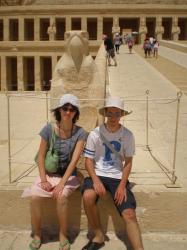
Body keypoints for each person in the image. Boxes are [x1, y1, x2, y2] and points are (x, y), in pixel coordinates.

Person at [22, 94, 87, 250]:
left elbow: (74, 161)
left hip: (68, 176)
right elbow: (41, 156)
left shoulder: (80, 133)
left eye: (72, 109)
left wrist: (62, 184)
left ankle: (62, 235)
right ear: (59, 110)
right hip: (49, 175)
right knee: (35, 196)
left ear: (76, 113)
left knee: (61, 197)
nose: (68, 112)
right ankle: (37, 235)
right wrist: (43, 180)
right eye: (65, 108)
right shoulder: (48, 129)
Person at [81, 96, 144, 250]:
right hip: (98, 174)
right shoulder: (95, 134)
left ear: (122, 114)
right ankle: (98, 236)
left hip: (117, 177)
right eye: (110, 113)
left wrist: (122, 186)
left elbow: (128, 163)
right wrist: (95, 181)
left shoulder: (128, 135)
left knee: (129, 214)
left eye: (117, 114)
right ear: (105, 114)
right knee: (88, 196)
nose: (113, 117)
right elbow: (88, 161)